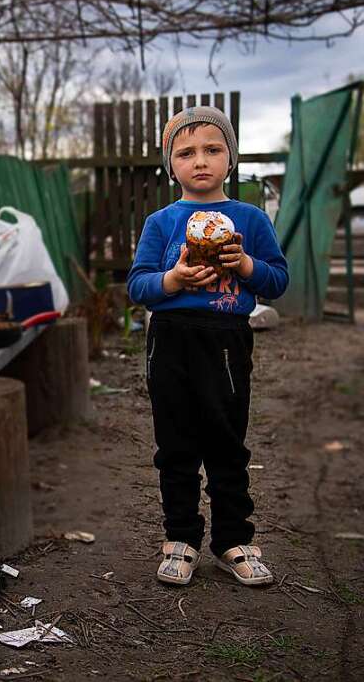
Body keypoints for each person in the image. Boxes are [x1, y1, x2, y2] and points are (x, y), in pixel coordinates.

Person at [127, 105, 288, 587]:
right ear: (170, 164)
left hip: (226, 344)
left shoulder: (250, 220)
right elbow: (138, 286)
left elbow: (278, 280)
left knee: (226, 443)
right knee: (175, 445)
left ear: (231, 159)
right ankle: (181, 539)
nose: (201, 161)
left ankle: (233, 541)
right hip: (171, 342)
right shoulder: (161, 222)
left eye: (213, 150)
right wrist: (173, 278)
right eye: (186, 152)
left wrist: (243, 266)